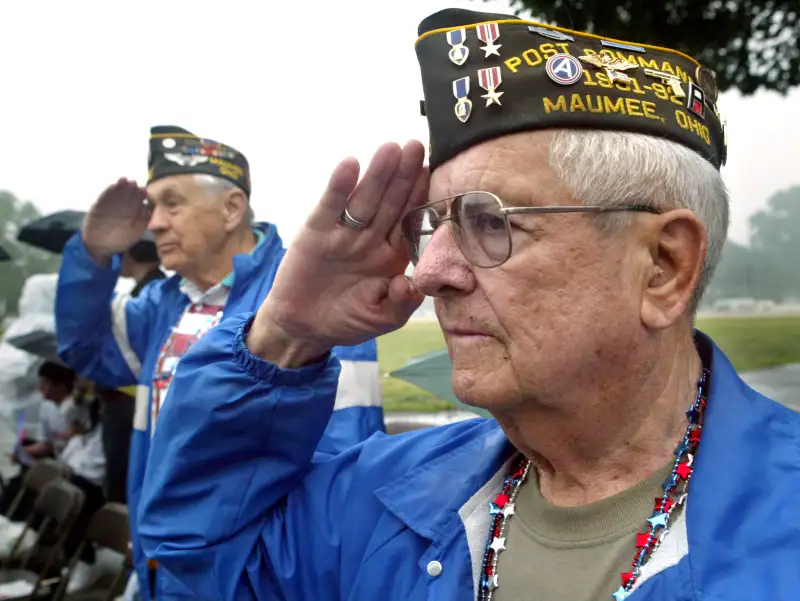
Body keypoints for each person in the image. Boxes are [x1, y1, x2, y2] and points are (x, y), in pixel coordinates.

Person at [139, 9, 800, 601]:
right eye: (435, 224)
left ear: (662, 266)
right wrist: (282, 337)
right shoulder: (386, 497)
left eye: (490, 221)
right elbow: (200, 572)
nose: (428, 273)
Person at [55, 126, 384, 600]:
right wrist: (92, 256)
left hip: (253, 577)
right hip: (159, 565)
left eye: (172, 203)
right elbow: (86, 349)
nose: (154, 224)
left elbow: (341, 467)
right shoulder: (165, 305)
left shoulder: (306, 296)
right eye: (152, 208)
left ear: (232, 208)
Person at [98, 239, 166, 505]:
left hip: (132, 403)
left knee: (123, 472)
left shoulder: (154, 292)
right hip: (128, 401)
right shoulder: (149, 289)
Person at [0, 361, 89, 520]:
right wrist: (22, 452)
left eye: (45, 383)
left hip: (73, 464)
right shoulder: (47, 407)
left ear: (60, 385)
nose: (41, 388)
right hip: (56, 458)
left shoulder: (77, 407)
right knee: (18, 481)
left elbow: (77, 439)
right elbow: (46, 443)